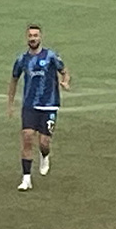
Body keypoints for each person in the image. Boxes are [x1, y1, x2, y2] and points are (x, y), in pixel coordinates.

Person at [7, 24, 70, 191]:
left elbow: (64, 71)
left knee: (44, 142)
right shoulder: (22, 60)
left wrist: (65, 82)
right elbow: (14, 80)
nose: (33, 38)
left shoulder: (51, 56)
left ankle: (45, 155)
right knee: (27, 137)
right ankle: (26, 178)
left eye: (35, 35)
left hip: (49, 105)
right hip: (29, 105)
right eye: (30, 36)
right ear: (26, 38)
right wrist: (10, 103)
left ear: (40, 37)